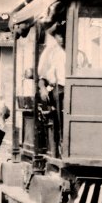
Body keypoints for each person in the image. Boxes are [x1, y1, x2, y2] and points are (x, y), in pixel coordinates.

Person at [37, 21, 67, 156]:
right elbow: (42, 76)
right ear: (55, 37)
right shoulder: (51, 52)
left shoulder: (75, 50)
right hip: (58, 89)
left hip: (74, 88)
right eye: (59, 36)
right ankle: (60, 141)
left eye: (64, 35)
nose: (62, 39)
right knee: (60, 103)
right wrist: (43, 89)